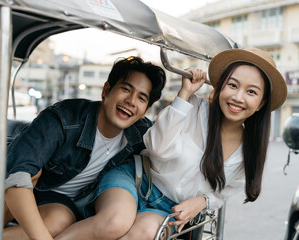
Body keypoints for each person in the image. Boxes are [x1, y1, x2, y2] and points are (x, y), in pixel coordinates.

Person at [54, 48, 287, 240]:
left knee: (141, 234)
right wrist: (184, 95)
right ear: (219, 88)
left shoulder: (250, 150)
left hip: (169, 208)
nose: (238, 97)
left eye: (251, 92)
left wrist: (203, 200)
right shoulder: (193, 108)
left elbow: (225, 191)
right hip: (136, 179)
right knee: (114, 222)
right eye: (233, 85)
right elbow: (156, 148)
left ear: (260, 103)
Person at [0, 56, 166, 240]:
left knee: (60, 220)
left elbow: (179, 155)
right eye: (126, 89)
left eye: (141, 98)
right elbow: (16, 175)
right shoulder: (63, 119)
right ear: (106, 90)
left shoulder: (143, 135)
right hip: (24, 189)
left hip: (61, 204)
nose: (131, 101)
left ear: (145, 111)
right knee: (12, 177)